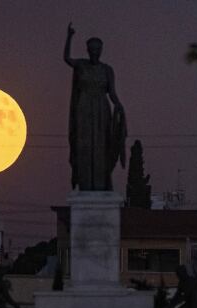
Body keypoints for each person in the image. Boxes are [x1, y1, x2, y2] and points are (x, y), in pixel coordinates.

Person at [64, 22, 127, 191]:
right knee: (84, 145)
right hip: (83, 108)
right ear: (87, 50)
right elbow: (67, 59)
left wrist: (119, 105)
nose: (95, 52)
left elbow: (112, 92)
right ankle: (85, 183)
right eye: (92, 49)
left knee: (101, 146)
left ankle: (101, 183)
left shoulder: (107, 70)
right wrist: (69, 37)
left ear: (101, 50)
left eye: (98, 49)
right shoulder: (81, 65)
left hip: (101, 109)